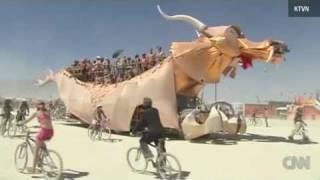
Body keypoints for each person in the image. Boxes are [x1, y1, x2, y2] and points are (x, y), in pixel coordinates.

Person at [21, 101, 54, 173]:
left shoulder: (37, 113)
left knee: (36, 150)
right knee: (39, 143)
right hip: (51, 131)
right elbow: (47, 122)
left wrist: (21, 123)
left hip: (44, 131)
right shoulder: (47, 112)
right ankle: (43, 152)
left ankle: (33, 169)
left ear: (38, 106)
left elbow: (27, 120)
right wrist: (39, 126)